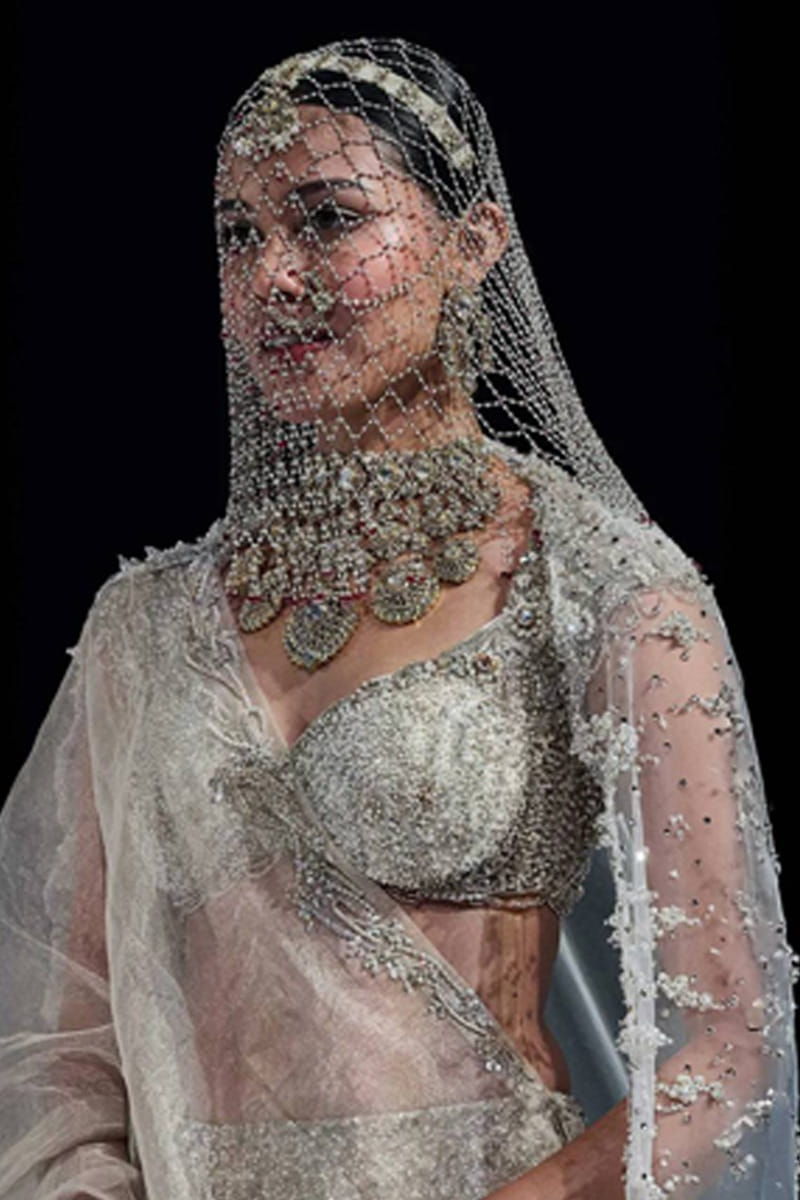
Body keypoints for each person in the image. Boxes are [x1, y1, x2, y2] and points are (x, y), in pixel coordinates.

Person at [0, 35, 796, 1200]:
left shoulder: (598, 591)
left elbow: (726, 1056)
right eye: (238, 233)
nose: (273, 276)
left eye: (327, 219)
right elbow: (52, 1045)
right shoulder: (142, 630)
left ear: (472, 243)